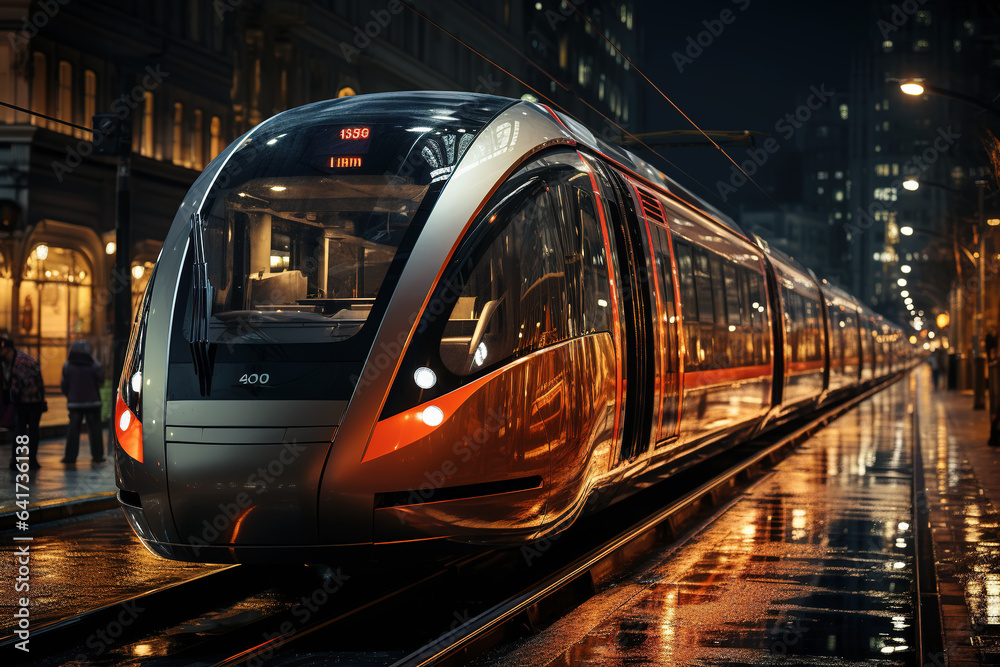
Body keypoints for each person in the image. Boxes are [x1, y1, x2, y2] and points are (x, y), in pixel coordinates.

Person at [2, 332, 46, 469]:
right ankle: (27, 461)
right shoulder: (14, 360)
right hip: (27, 401)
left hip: (30, 402)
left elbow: (18, 385)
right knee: (26, 431)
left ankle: (22, 460)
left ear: (6, 349)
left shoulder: (20, 362)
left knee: (24, 430)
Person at [60, 340, 105, 464]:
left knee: (73, 430)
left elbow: (64, 385)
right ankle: (97, 456)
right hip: (93, 402)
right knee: (95, 430)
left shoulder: (68, 365)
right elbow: (101, 379)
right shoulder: (94, 365)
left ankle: (70, 457)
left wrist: (70, 396)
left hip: (75, 403)